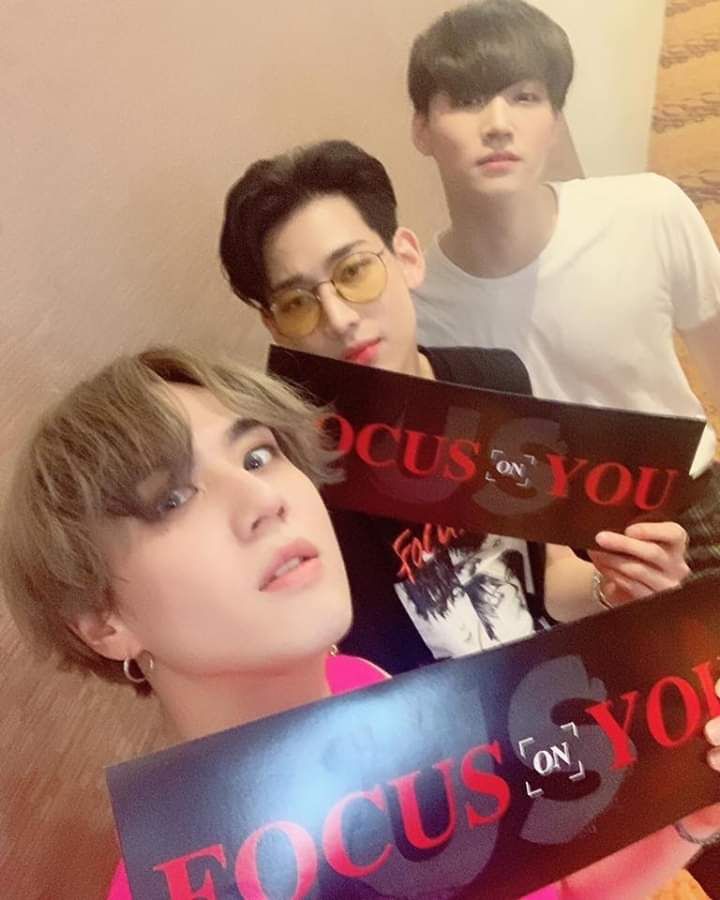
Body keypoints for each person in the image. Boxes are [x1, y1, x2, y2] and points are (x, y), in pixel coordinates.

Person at [2, 346, 720, 900]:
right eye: (170, 499)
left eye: (259, 454)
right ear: (103, 622)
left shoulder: (361, 682)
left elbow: (549, 888)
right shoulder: (180, 883)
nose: (262, 498)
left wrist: (689, 810)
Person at [219, 138, 690, 676]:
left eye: (353, 272)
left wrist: (614, 586)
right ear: (275, 326)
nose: (339, 318)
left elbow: (550, 576)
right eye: (298, 303)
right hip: (435, 724)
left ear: (407, 258)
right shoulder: (299, 473)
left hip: (560, 679)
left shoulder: (495, 384)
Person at [407, 0, 720, 577]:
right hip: (551, 562)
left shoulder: (647, 211)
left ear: (554, 118)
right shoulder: (415, 311)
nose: (497, 123)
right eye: (468, 100)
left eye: (524, 96)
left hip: (692, 505)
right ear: (421, 128)